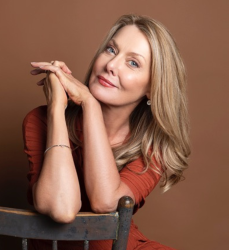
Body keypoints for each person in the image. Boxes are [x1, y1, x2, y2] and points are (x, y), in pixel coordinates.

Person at [23, 14, 190, 250]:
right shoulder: (40, 121)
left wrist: (90, 104)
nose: (111, 65)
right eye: (111, 50)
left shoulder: (152, 149)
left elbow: (105, 202)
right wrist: (56, 110)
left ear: (153, 88)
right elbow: (60, 207)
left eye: (133, 63)